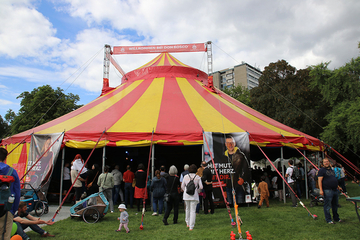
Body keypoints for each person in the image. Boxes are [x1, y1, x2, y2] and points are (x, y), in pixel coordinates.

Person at [0, 148, 21, 240]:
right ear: (6, 158)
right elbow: (17, 192)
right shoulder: (12, 172)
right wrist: (13, 210)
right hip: (7, 207)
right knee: (5, 235)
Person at [224, 135, 250, 205]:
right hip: (228, 185)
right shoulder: (223, 157)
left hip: (238, 185)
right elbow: (221, 172)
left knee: (240, 204)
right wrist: (224, 189)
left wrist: (242, 178)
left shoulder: (241, 155)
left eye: (232, 142)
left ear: (235, 143)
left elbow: (246, 168)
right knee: (230, 205)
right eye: (228, 143)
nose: (230, 145)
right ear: (225, 144)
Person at [318, 158, 342, 224]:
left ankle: (336, 218)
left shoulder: (332, 170)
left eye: (327, 162)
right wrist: (321, 190)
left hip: (335, 190)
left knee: (335, 205)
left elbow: (334, 179)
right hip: (327, 190)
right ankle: (328, 219)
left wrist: (338, 186)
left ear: (329, 162)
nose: (326, 163)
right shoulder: (321, 170)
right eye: (324, 162)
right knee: (327, 205)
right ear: (322, 163)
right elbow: (319, 180)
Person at [181, 164, 203, 231]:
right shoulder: (198, 177)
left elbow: (182, 186)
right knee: (193, 211)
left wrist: (186, 191)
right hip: (194, 195)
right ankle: (191, 226)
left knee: (187, 209)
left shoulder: (185, 176)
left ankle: (187, 222)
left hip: (186, 196)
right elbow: (201, 187)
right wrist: (198, 191)